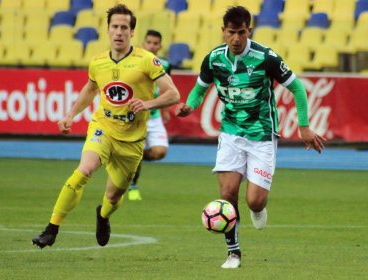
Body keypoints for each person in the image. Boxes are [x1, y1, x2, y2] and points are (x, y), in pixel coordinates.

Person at [175, 6, 326, 269]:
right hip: (231, 133)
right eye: (231, 33)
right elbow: (199, 91)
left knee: (254, 200)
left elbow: (298, 88)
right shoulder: (213, 60)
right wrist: (189, 106)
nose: (236, 39)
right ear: (223, 31)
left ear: (249, 30)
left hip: (262, 135)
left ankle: (257, 209)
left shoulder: (266, 58)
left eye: (241, 33)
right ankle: (233, 253)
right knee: (227, 194)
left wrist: (304, 127)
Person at [32, 4, 180, 249]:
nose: (119, 32)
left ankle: (103, 216)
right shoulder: (98, 62)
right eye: (115, 27)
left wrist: (147, 103)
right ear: (108, 30)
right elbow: (90, 89)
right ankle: (51, 228)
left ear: (132, 32)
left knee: (114, 196)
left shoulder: (146, 61)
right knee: (84, 170)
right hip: (103, 128)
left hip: (131, 142)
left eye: (124, 27)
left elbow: (173, 94)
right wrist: (70, 114)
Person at [128, 29, 172, 201]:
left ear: (160, 46)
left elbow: (167, 87)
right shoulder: (134, 61)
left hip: (154, 116)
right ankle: (132, 186)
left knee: (160, 152)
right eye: (149, 42)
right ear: (143, 44)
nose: (152, 46)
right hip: (137, 115)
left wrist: (166, 109)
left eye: (155, 43)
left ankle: (128, 157)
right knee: (137, 151)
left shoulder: (165, 64)